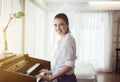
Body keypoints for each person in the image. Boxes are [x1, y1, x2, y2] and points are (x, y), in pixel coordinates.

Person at [36, 13, 77, 82]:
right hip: (62, 77)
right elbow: (61, 63)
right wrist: (50, 71)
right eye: (55, 25)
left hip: (66, 79)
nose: (57, 28)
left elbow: (69, 65)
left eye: (61, 24)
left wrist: (51, 78)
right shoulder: (64, 39)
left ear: (67, 24)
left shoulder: (68, 40)